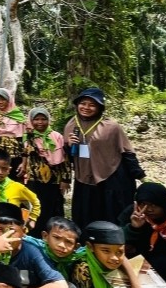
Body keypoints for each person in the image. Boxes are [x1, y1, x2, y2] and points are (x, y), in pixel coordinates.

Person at [62, 87, 145, 228]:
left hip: (111, 177)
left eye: (92, 105)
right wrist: (69, 145)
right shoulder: (71, 124)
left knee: (111, 216)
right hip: (84, 179)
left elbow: (126, 152)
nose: (86, 108)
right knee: (86, 217)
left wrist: (140, 175)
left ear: (100, 107)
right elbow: (69, 158)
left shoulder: (111, 126)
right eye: (83, 103)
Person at [117, 182, 166, 285]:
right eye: (143, 204)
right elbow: (116, 241)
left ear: (164, 204)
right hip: (136, 262)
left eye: (154, 205)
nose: (149, 209)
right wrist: (133, 228)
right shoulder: (134, 213)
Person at [21, 107, 71, 237]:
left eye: (43, 119)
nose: (40, 122)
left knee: (53, 207)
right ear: (31, 121)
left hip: (54, 179)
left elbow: (65, 159)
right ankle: (35, 236)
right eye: (36, 119)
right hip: (34, 179)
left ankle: (54, 235)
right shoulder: (28, 137)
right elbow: (25, 154)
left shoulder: (56, 136)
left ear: (48, 120)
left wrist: (65, 179)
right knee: (36, 206)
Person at [0, 89, 27, 177]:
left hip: (15, 155)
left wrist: (24, 162)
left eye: (3, 99)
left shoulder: (18, 116)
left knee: (14, 180)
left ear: (9, 100)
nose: (0, 102)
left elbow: (24, 141)